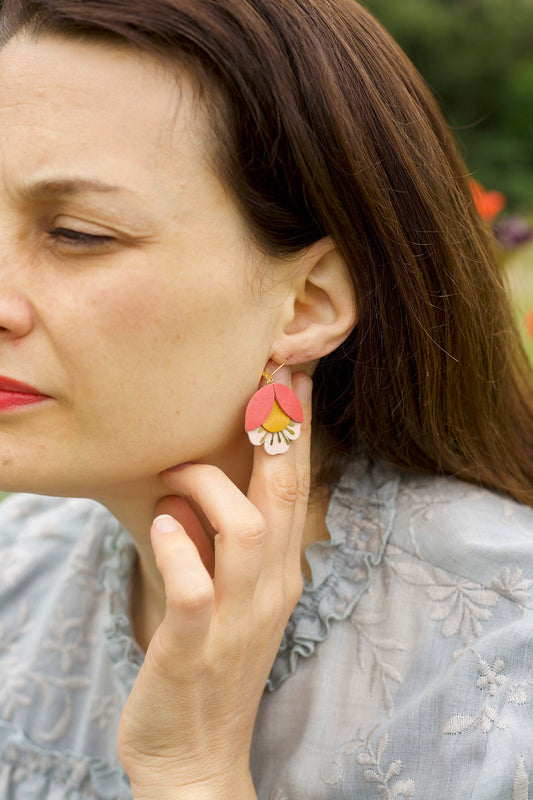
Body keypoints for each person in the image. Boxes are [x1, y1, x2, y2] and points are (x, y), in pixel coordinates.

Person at [0, 0, 532, 797]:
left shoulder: (498, 662)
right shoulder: (18, 566)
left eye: (77, 232)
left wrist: (194, 776)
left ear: (306, 303)